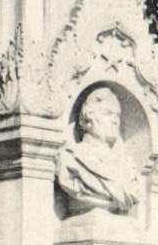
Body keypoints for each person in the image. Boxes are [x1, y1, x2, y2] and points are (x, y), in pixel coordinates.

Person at [55, 85, 142, 214]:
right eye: (108, 113)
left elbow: (133, 191)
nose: (115, 121)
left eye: (117, 115)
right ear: (89, 119)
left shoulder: (126, 163)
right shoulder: (71, 157)